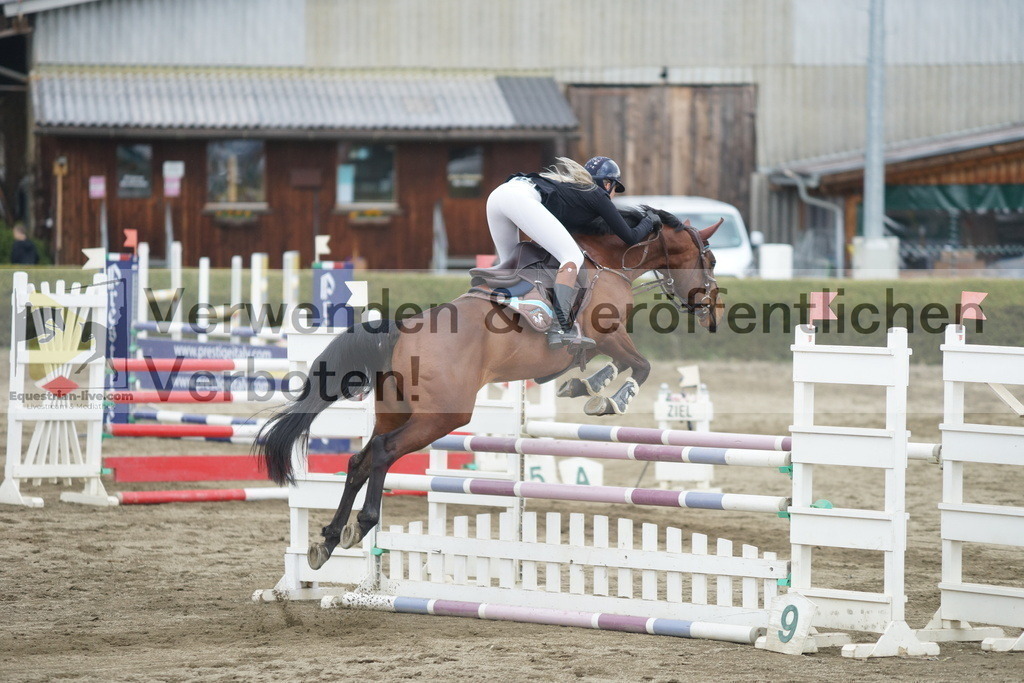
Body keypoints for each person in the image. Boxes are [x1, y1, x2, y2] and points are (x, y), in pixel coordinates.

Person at [486, 156, 658, 349]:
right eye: (615, 188)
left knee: (511, 266)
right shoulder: (597, 194)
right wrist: (649, 221)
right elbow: (631, 237)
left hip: (498, 196)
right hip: (519, 197)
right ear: (607, 183)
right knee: (572, 257)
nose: (614, 195)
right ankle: (560, 327)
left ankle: (506, 310)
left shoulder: (575, 193)